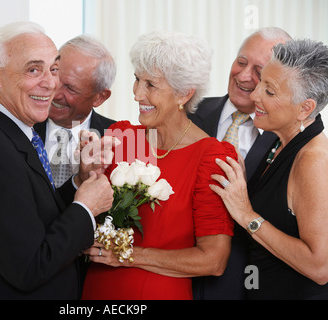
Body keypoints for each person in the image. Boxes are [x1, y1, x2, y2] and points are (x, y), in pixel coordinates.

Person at [0, 21, 115, 300]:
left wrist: (78, 182)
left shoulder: (3, 127)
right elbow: (30, 267)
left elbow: (30, 214)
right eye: (34, 69)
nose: (50, 84)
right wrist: (85, 208)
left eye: (53, 69)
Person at [81, 30, 237, 300]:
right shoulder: (120, 137)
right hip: (98, 289)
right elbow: (85, 217)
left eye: (150, 85)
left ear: (183, 94)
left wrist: (127, 254)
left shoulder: (211, 157)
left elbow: (213, 261)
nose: (136, 93)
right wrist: (86, 173)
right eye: (136, 79)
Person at [211, 39, 328, 299]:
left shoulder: (313, 160)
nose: (254, 96)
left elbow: (320, 267)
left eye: (270, 92)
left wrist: (245, 214)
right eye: (261, 84)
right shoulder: (279, 141)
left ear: (305, 108)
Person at [189, 27, 292, 300]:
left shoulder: (289, 138)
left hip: (250, 281)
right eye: (241, 62)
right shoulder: (190, 111)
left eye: (259, 70)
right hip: (183, 271)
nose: (244, 76)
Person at [34, 34, 116, 188]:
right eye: (54, 75)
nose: (54, 92)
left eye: (70, 88)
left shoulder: (119, 140)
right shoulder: (21, 129)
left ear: (100, 97)